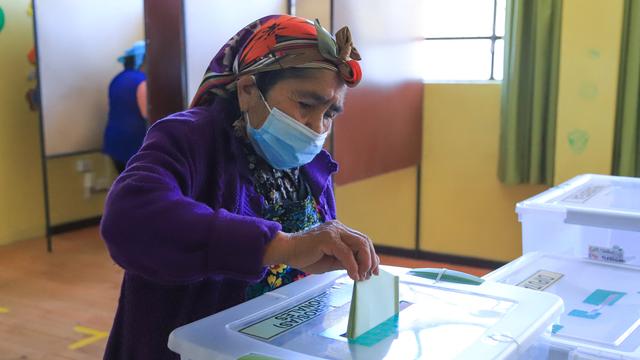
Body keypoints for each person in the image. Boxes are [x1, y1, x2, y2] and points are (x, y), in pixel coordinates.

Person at [100, 15, 378, 359]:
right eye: (305, 104)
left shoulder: (310, 164)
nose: (316, 127)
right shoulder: (188, 138)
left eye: (330, 113)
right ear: (248, 90)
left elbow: (300, 262)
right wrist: (282, 246)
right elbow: (129, 219)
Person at [103, 40, 148, 174]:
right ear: (143, 60)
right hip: (132, 146)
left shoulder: (118, 78)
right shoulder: (141, 81)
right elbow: (147, 114)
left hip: (115, 144)